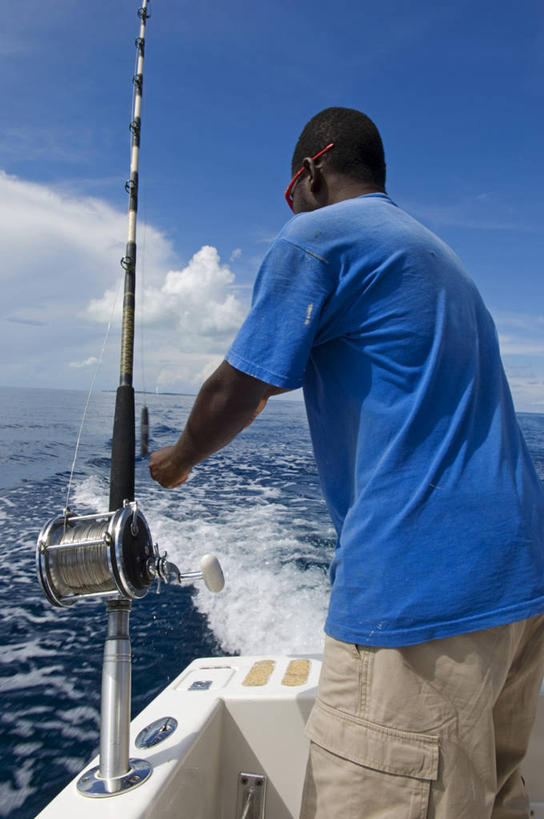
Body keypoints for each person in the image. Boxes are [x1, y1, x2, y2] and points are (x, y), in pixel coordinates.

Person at [149, 107, 544, 818]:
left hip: (422, 594)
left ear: (312, 172)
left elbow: (237, 391)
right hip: (519, 586)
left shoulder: (320, 235)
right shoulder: (438, 259)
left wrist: (176, 461)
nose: (291, 208)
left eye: (290, 192)